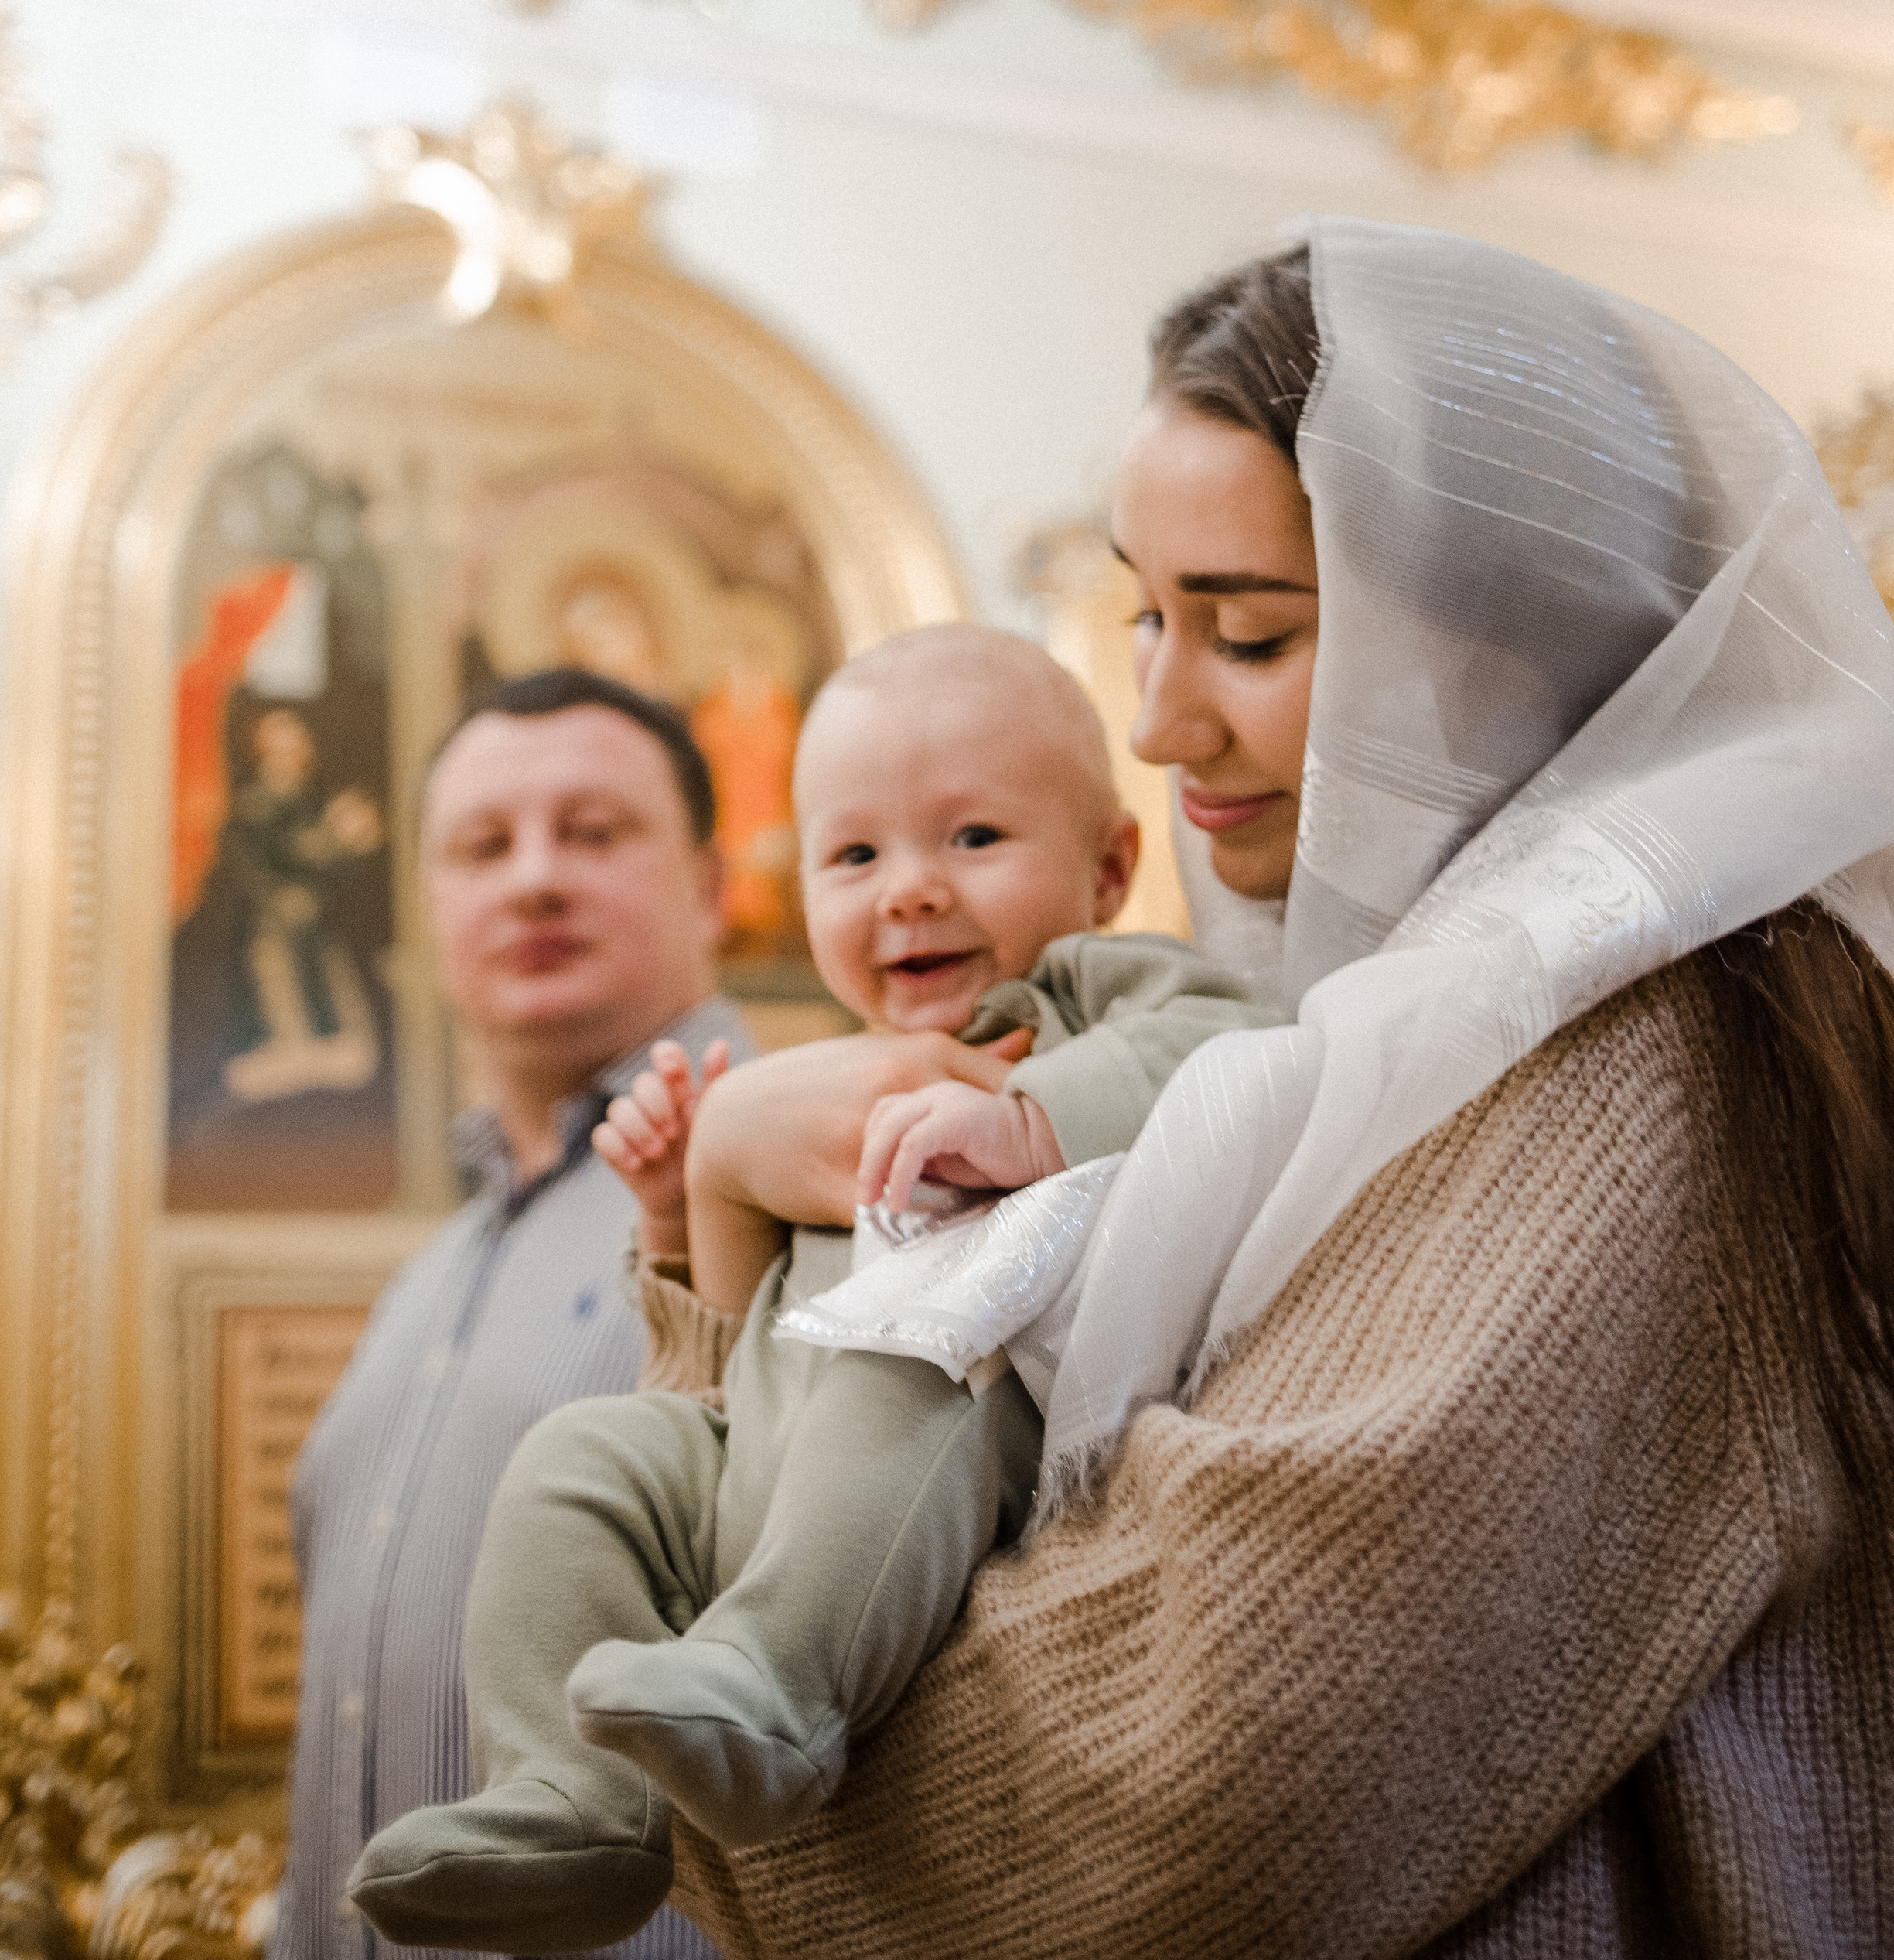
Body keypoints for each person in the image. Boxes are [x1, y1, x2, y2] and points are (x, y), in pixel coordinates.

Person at [633, 223, 1894, 1960]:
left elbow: (1191, 1791)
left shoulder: (1635, 1057)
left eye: (1244, 635)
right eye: (1147, 617)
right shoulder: (1379, 1038)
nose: (1153, 722)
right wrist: (725, 1236)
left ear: (1504, 638)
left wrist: (654, 1769)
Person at [346, 627, 1283, 1952]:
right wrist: (679, 1219)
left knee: (907, 1367)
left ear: (1111, 867)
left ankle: (778, 1684)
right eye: (854, 857)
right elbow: (730, 1370)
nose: (907, 892)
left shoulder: (1087, 999)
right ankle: (571, 1791)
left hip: (957, 1410)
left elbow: (1239, 1047)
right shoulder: (807, 1082)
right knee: (584, 1452)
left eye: (971, 839)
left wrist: (1030, 1113)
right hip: (768, 1450)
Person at [272, 665, 754, 1960]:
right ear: (432, 908)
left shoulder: (786, 1182)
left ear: (709, 885)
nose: (534, 877)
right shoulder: (427, 1275)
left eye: (595, 834)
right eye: (483, 846)